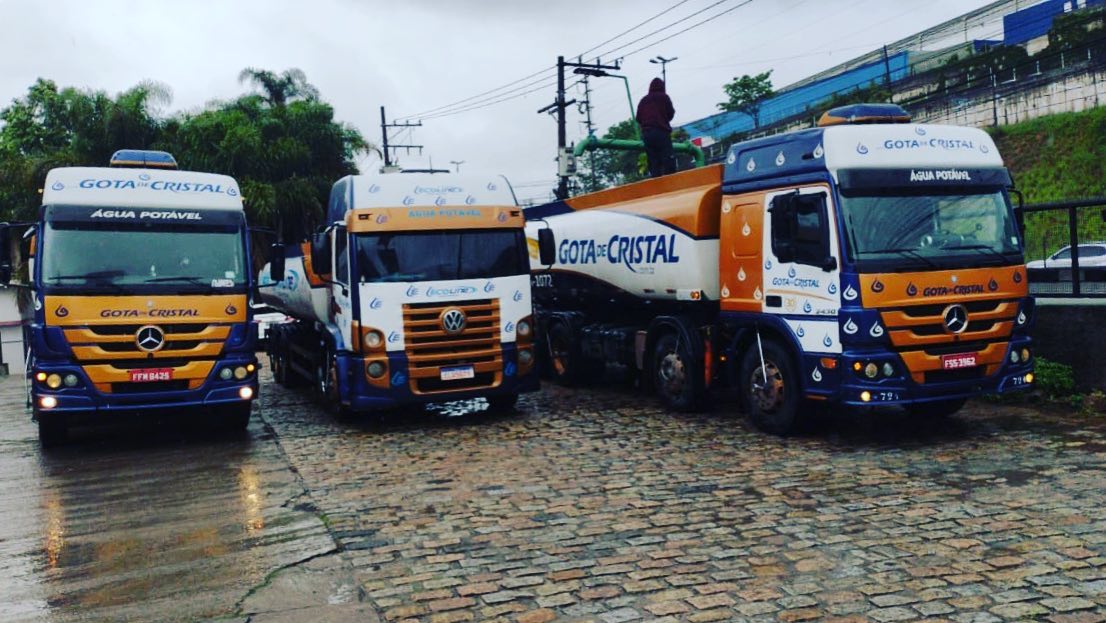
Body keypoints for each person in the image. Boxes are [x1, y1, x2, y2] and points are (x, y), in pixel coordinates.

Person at [636, 77, 676, 178]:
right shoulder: (664, 97)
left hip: (647, 134)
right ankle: (670, 181)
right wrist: (663, 119)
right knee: (668, 159)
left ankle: (657, 183)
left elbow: (638, 118)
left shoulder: (643, 100)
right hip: (661, 132)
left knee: (653, 161)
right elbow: (671, 113)